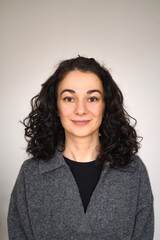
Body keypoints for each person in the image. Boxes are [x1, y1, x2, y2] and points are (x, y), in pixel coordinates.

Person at [8, 56, 154, 240]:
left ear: (105, 105)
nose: (80, 109)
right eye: (69, 98)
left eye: (92, 98)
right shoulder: (31, 174)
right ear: (56, 107)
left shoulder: (133, 170)